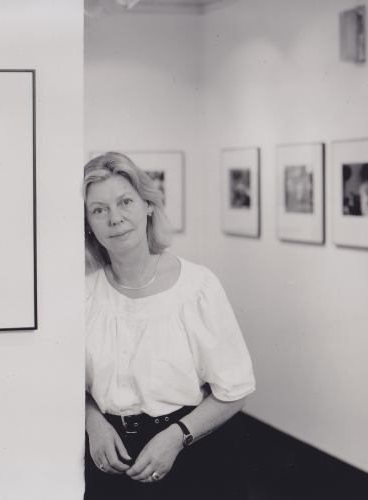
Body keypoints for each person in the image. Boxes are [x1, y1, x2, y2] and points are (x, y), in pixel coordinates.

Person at [84, 152, 256, 500]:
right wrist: (92, 422)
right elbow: (62, 381)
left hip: (191, 453)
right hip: (109, 458)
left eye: (125, 202)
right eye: (99, 210)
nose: (115, 219)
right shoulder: (82, 293)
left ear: (148, 205)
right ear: (88, 223)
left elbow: (235, 390)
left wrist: (176, 437)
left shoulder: (197, 287)